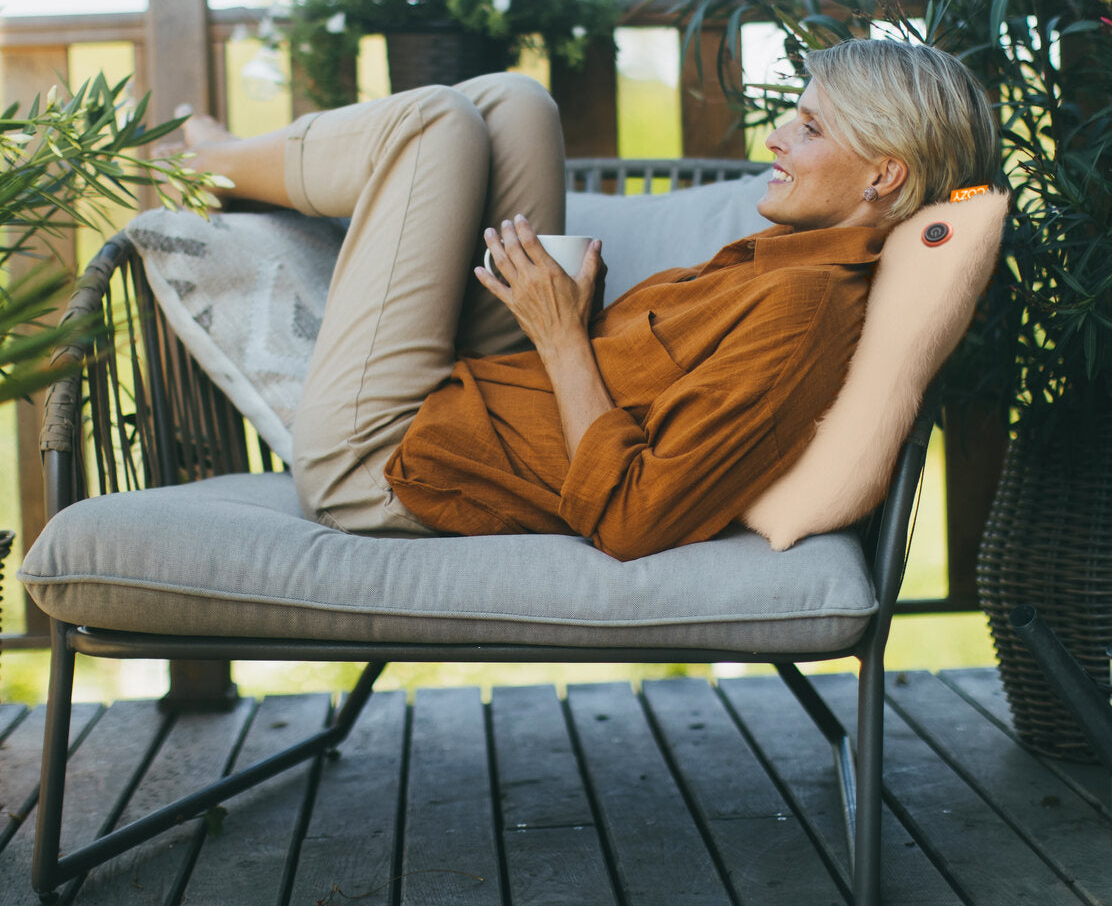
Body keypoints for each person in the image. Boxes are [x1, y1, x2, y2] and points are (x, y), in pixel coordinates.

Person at [180, 38, 998, 560]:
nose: (776, 140)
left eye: (811, 130)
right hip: (495, 394)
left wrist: (565, 335)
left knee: (435, 124)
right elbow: (652, 386)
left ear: (885, 176)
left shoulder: (807, 312)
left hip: (392, 454)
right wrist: (580, 312)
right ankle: (249, 163)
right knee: (513, 103)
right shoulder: (786, 260)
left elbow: (636, 515)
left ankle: (204, 167)